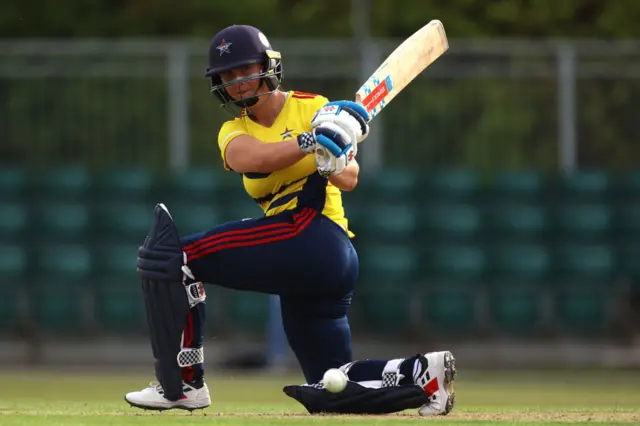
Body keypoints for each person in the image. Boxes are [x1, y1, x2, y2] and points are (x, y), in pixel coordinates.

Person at [124, 24, 456, 416]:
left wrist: (332, 156)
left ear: (268, 67)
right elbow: (253, 160)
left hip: (317, 237)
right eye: (228, 77)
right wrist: (309, 141)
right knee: (331, 386)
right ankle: (423, 373)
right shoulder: (234, 130)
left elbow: (350, 178)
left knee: (173, 258)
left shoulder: (314, 107)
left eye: (245, 69)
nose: (238, 83)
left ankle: (182, 385)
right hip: (305, 259)